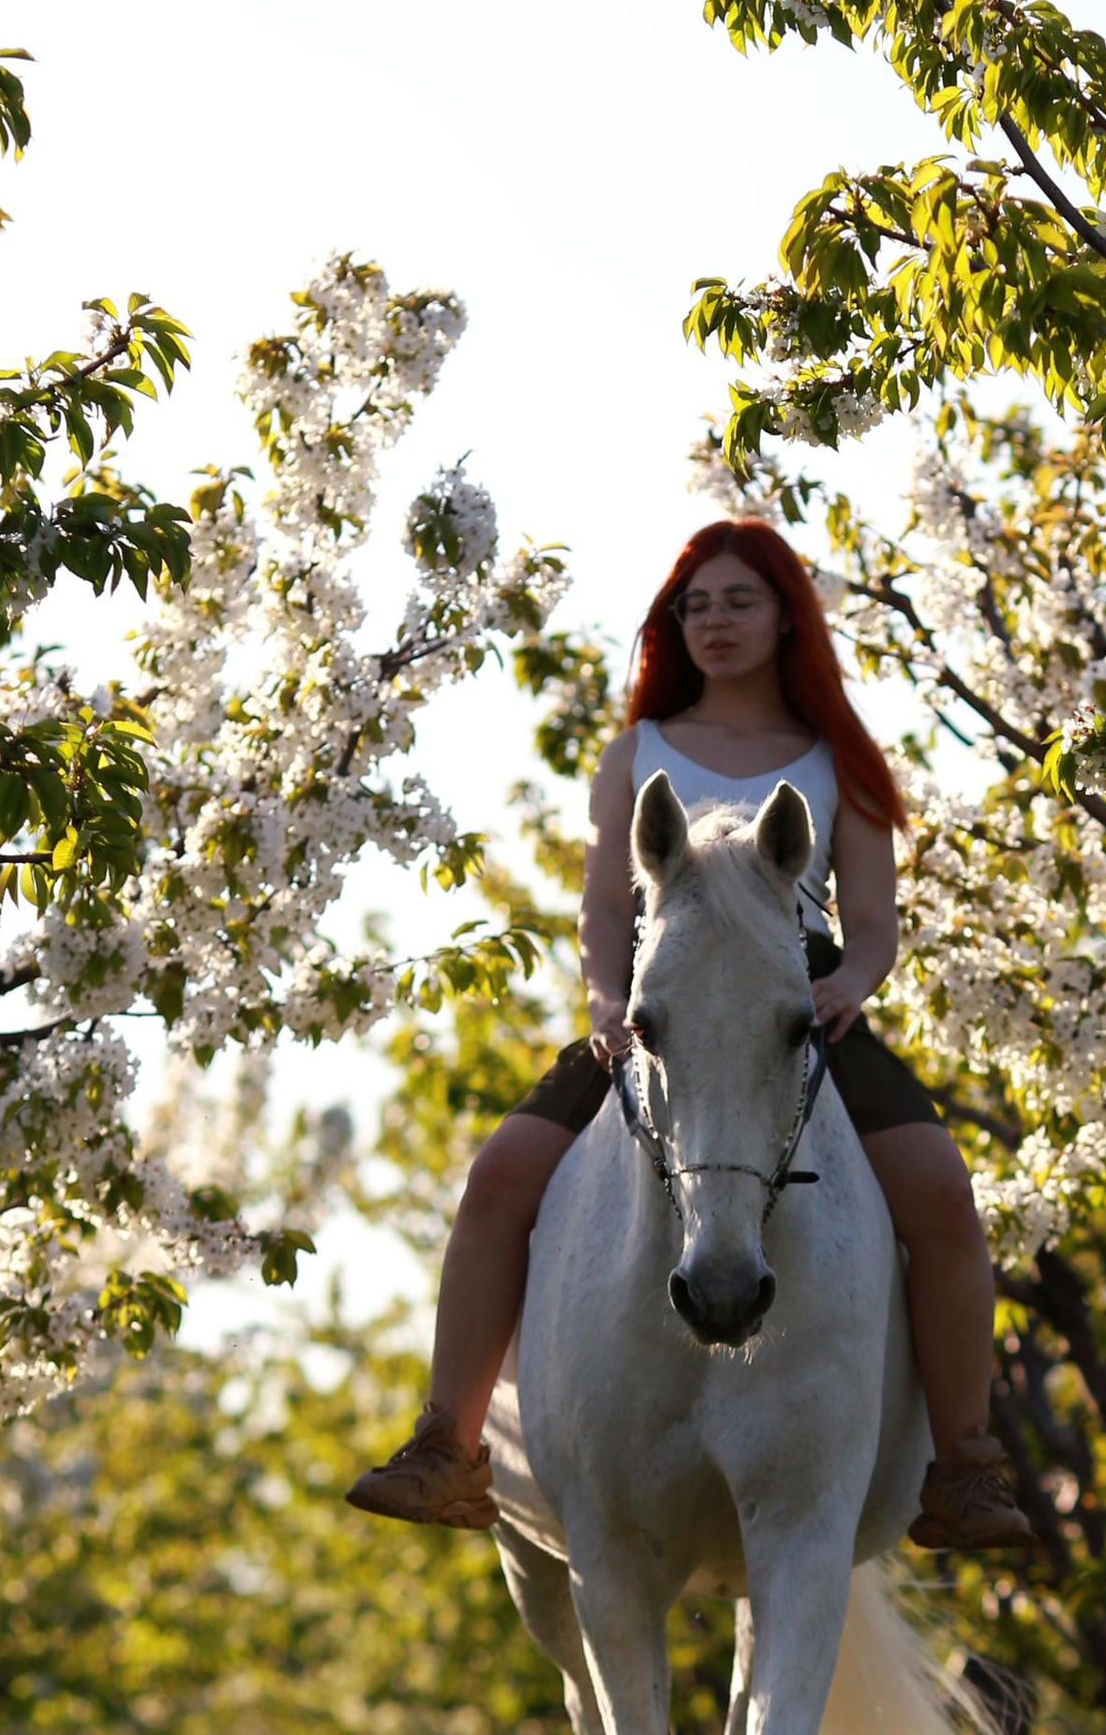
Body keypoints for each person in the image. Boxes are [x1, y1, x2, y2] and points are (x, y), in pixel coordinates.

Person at [346, 517, 1034, 1552]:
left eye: (738, 601)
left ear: (784, 617)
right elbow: (600, 909)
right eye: (695, 604)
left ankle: (966, 1463)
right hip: (655, 1010)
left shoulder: (836, 758)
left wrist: (848, 980)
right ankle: (448, 1443)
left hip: (794, 1006)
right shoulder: (639, 752)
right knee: (499, 1178)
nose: (714, 621)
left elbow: (875, 923)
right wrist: (603, 1002)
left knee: (940, 1194)